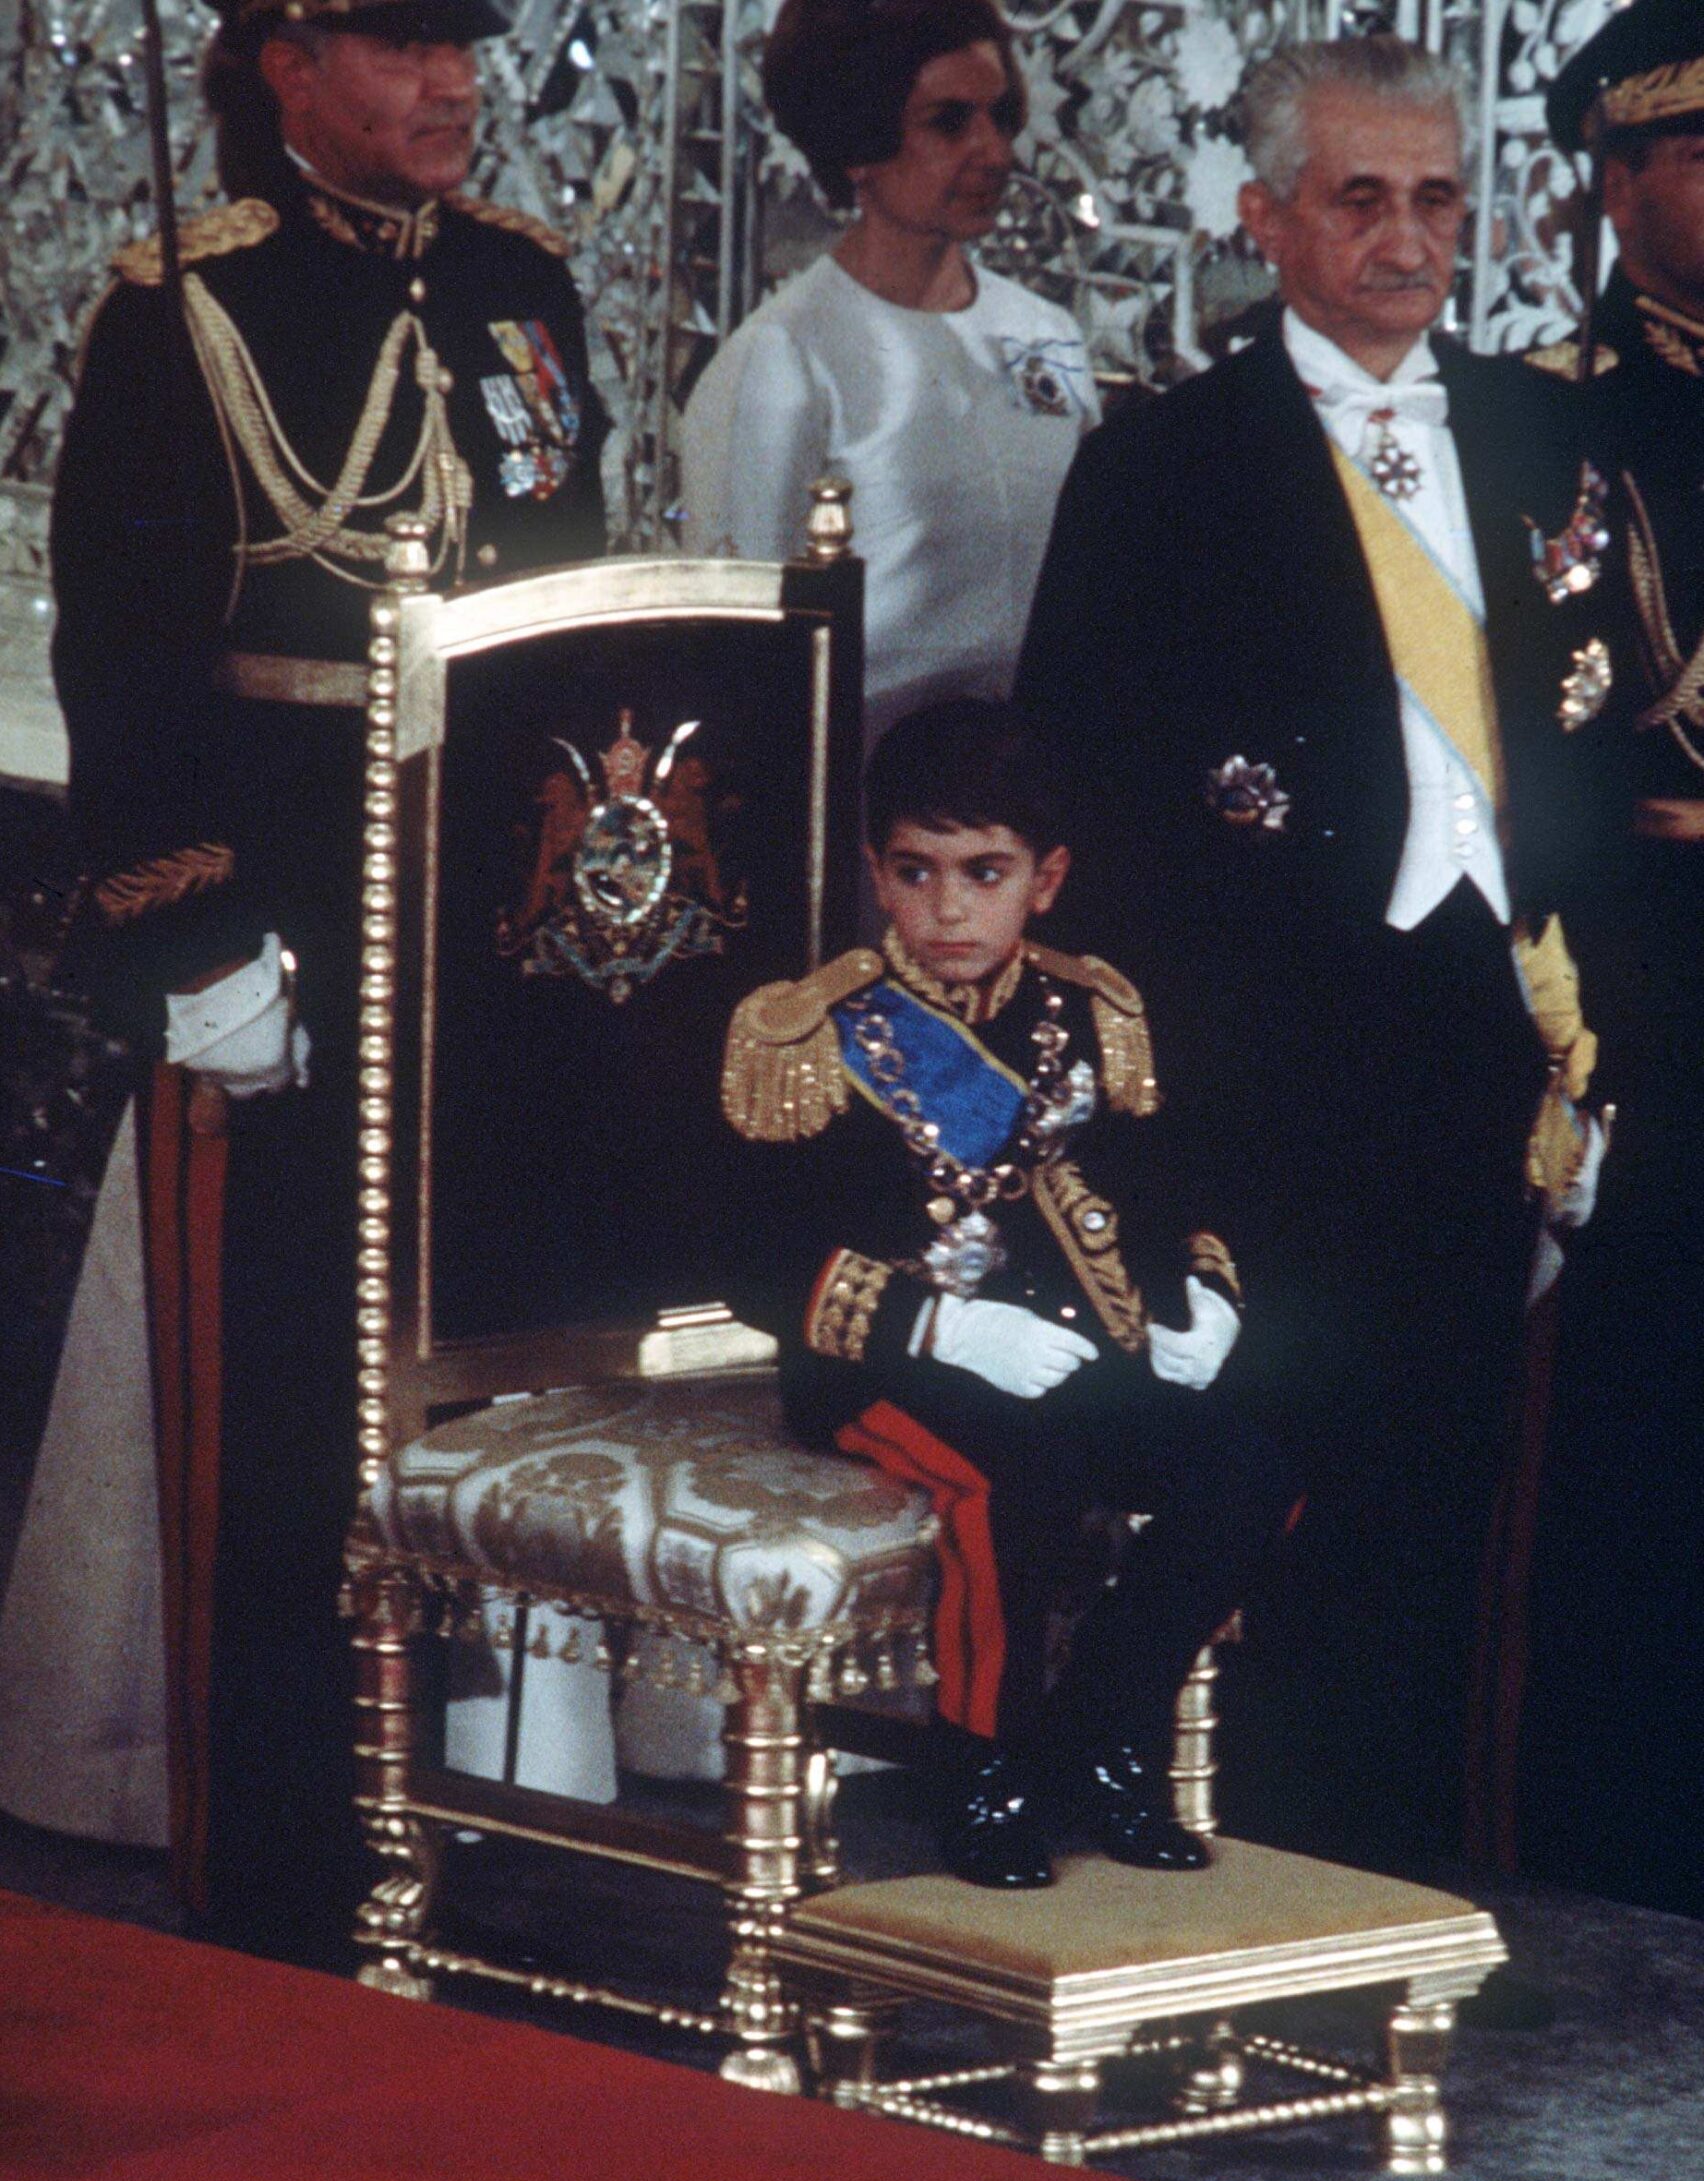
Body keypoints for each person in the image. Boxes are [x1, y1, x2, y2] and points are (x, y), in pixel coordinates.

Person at [24, 0, 607, 1960]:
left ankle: (472, 1816)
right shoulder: (182, 309)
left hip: (490, 929)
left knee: (483, 1395)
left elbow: (571, 607)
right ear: (284, 64)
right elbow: (122, 665)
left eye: (467, 50)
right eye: (399, 48)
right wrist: (186, 935)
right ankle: (279, 1854)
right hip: (283, 911)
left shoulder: (525, 285)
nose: (449, 87)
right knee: (281, 1411)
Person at [1016, 34, 1620, 1872]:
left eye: (1433, 198)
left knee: (1445, 1490)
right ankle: (1257, 1896)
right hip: (1262, 1055)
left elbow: (1583, 740)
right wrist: (1145, 1102)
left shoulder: (1531, 434)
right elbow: (1083, 799)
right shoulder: (1161, 463)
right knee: (1278, 1487)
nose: (1402, 237)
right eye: (1356, 198)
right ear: (1260, 214)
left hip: (1478, 1033)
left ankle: (1413, 1901)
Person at [721, 699, 1292, 1887]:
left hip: (1077, 1355)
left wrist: (1205, 1299)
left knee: (1250, 1465)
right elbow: (748, 1259)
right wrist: (941, 1322)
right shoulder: (810, 1031)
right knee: (1012, 1474)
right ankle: (984, 1767)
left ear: (1045, 879)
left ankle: (1101, 1740)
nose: (946, 907)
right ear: (876, 874)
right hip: (884, 1370)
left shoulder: (1094, 1010)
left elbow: (1167, 1189)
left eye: (984, 873)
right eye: (915, 872)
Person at [1518, 0, 1704, 1916]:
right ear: (1616, 178)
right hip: (1649, 949)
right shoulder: (1549, 415)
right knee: (1655, 1419)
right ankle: (1619, 1845)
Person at [680, 0, 1097, 745]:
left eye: (1000, 116)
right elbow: (740, 658)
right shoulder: (783, 358)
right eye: (949, 122)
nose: (994, 152)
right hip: (858, 810)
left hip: (1028, 805)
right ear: (857, 144)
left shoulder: (1045, 335)